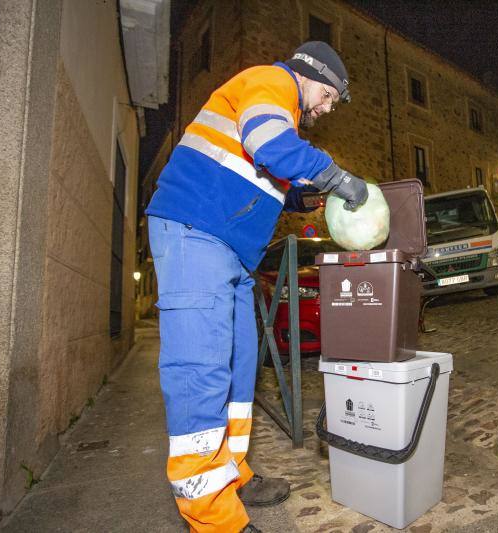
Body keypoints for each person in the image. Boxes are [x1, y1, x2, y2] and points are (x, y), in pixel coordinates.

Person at [145, 41, 368, 533]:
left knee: (240, 366)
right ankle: (212, 517)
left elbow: (259, 173)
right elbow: (270, 146)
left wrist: (303, 199)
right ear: (309, 75)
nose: (327, 108)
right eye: (329, 96)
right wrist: (336, 178)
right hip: (194, 230)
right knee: (201, 370)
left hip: (227, 248)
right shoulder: (272, 82)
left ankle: (234, 476)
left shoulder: (278, 108)